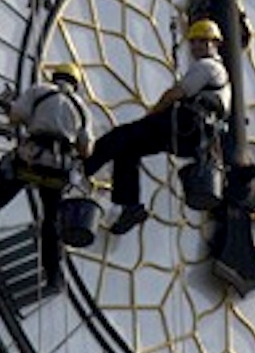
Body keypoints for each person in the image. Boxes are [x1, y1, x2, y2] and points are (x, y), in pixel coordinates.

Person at [84, 19, 232, 235]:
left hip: (184, 124)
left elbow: (176, 93)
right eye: (194, 42)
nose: (196, 46)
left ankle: (84, 168)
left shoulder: (207, 67)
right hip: (191, 135)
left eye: (202, 41)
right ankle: (129, 205)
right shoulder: (217, 74)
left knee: (121, 136)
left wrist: (153, 113)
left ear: (215, 44)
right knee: (129, 150)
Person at [0, 62, 92, 295]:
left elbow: (15, 116)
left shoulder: (39, 91)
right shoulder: (82, 108)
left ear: (55, 77)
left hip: (30, 161)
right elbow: (85, 149)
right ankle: (53, 277)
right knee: (51, 222)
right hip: (57, 171)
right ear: (76, 84)